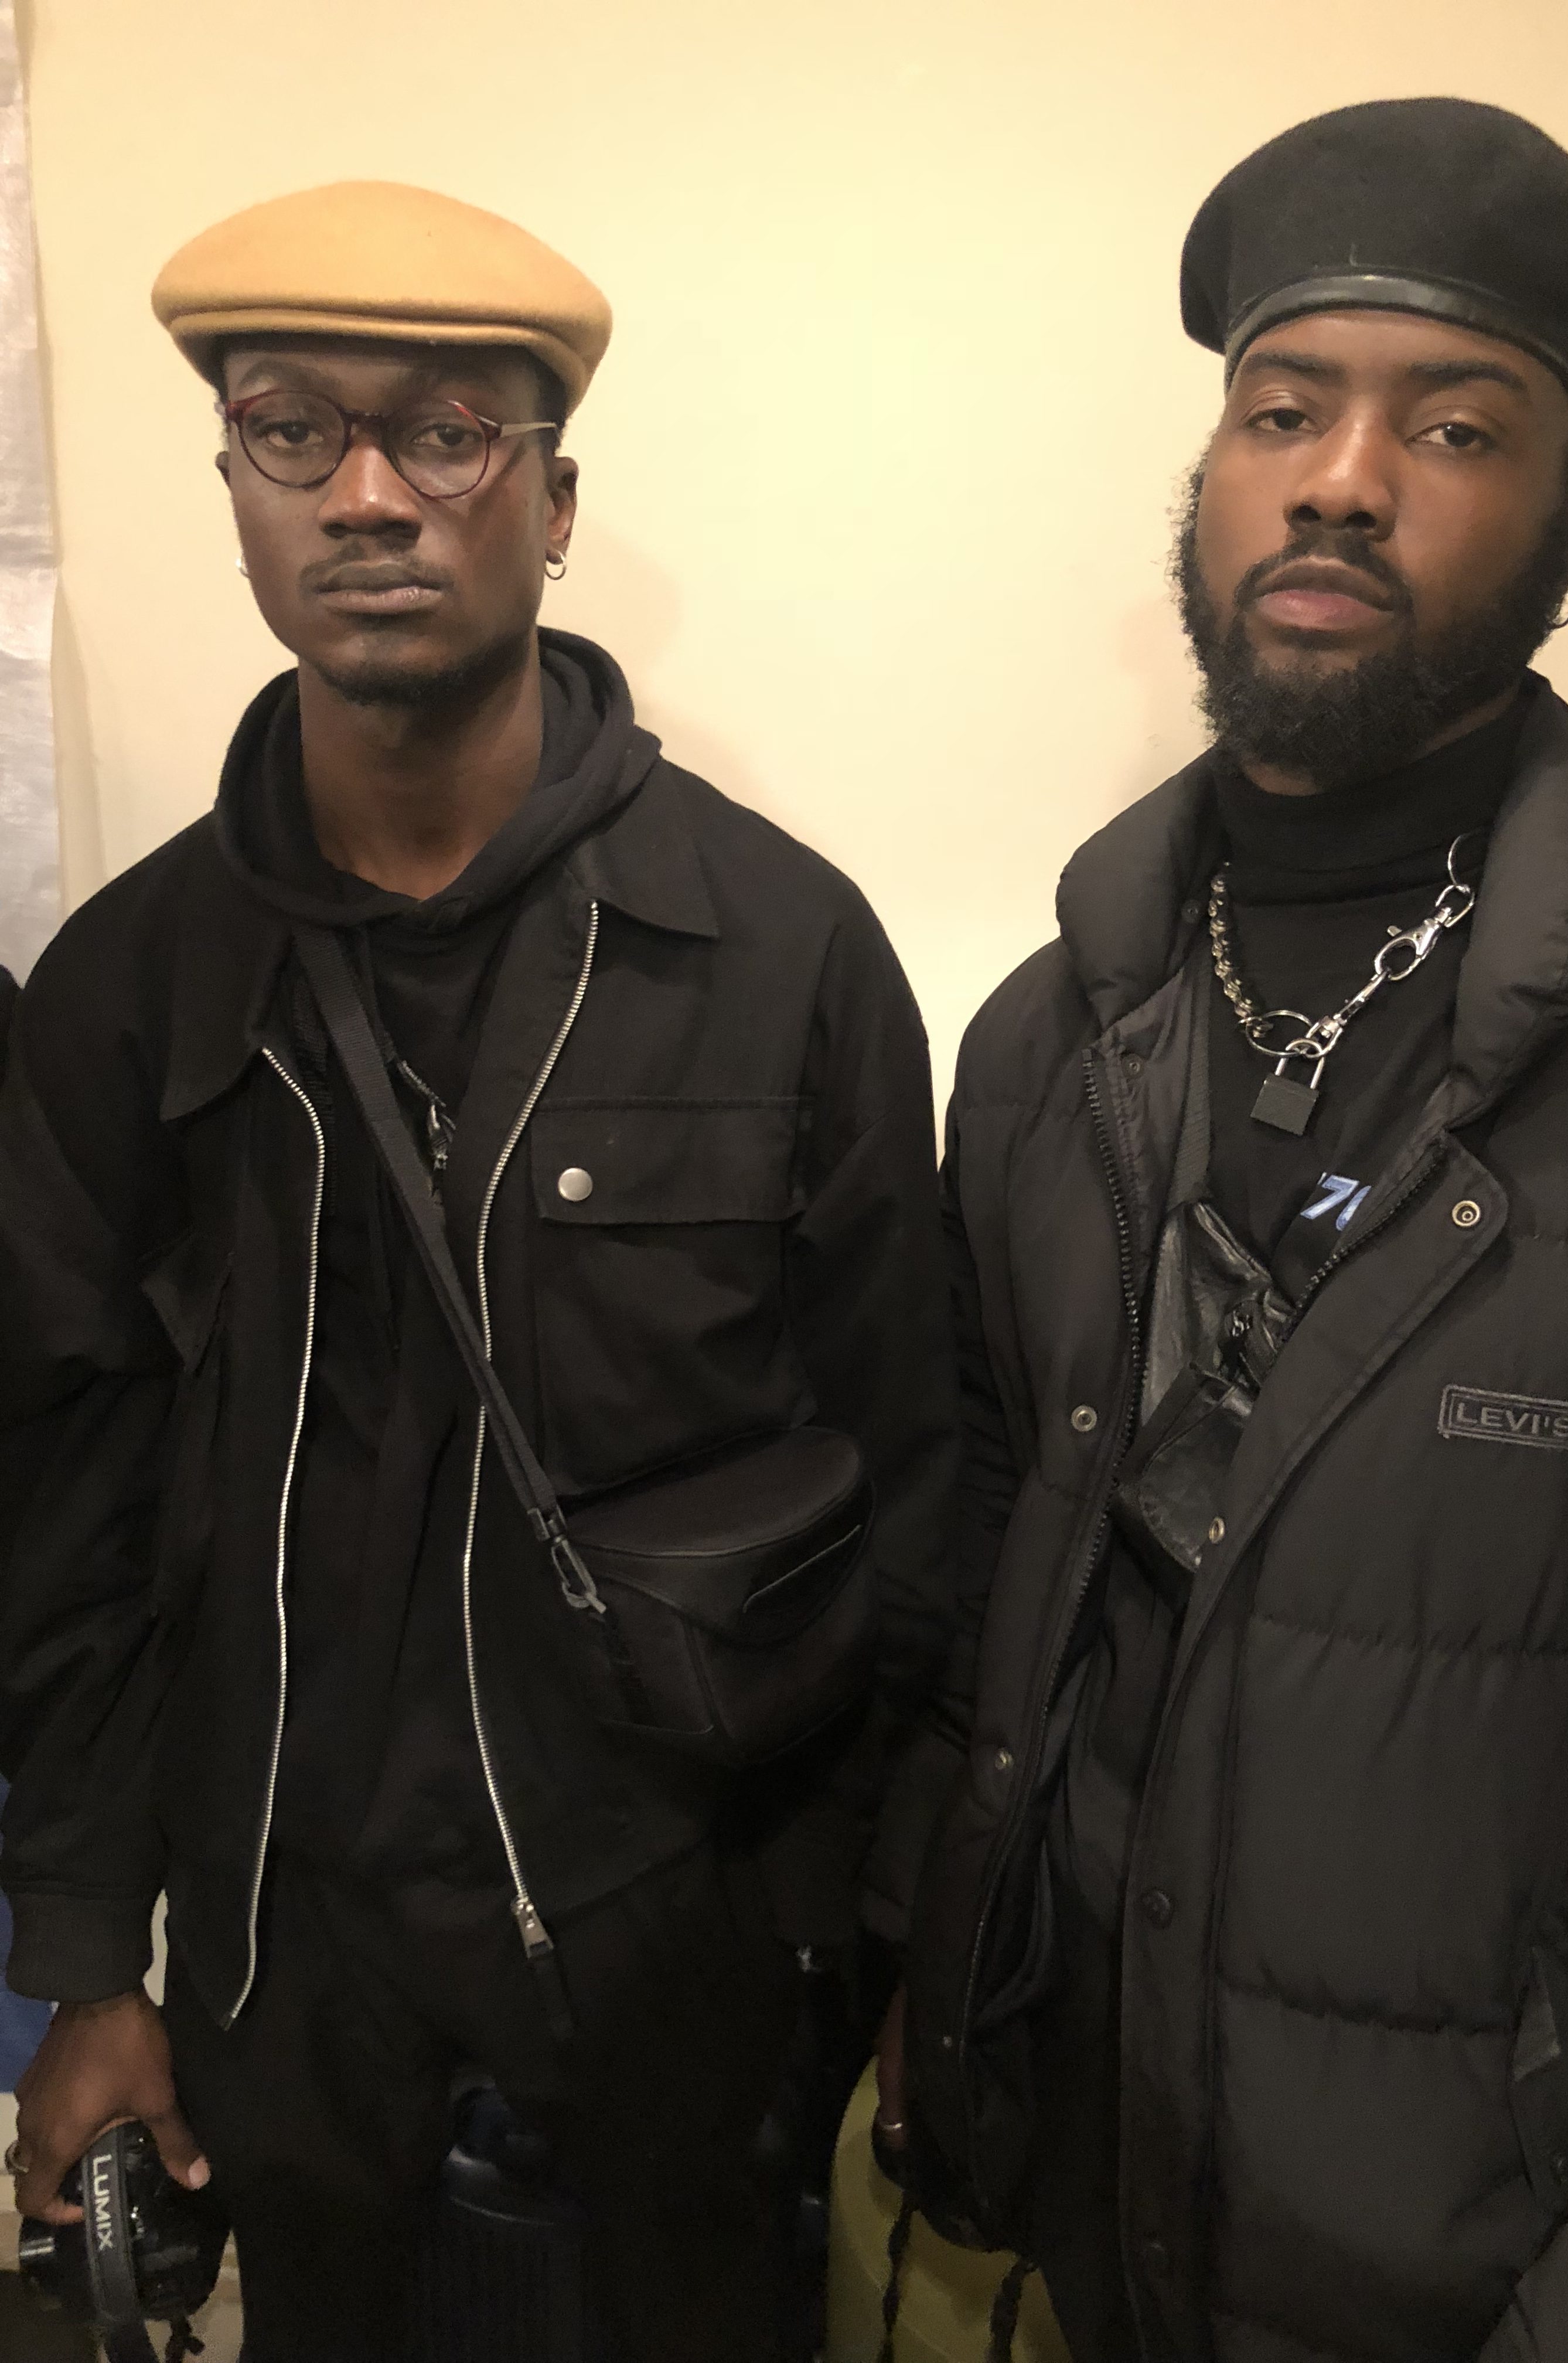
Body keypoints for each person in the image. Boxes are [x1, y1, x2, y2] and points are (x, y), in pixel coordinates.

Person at [0, 181, 955, 2362]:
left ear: (556, 501)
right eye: (290, 427)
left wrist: (864, 1942)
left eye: (443, 433)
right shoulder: (130, 989)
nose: (365, 495)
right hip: (284, 1985)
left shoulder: (782, 953)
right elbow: (65, 1507)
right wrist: (90, 1965)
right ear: (233, 486)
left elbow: (907, 1490)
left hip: (686, 1986)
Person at [882, 98, 1568, 2362]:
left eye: (1454, 427)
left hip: (1493, 2273)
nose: (1343, 478)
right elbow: (990, 1583)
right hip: (1080, 2198)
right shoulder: (1046, 1038)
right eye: (1283, 410)